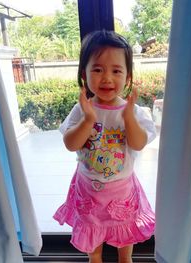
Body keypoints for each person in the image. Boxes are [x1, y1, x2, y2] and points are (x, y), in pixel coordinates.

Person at [53, 30, 157, 263]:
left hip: (121, 190)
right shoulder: (82, 109)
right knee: (94, 242)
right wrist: (88, 120)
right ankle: (95, 258)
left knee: (124, 241)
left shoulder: (134, 112)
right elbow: (70, 144)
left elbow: (138, 144)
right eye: (98, 69)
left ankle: (125, 259)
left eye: (116, 70)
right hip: (88, 189)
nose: (107, 78)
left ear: (128, 78)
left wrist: (129, 117)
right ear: (84, 75)